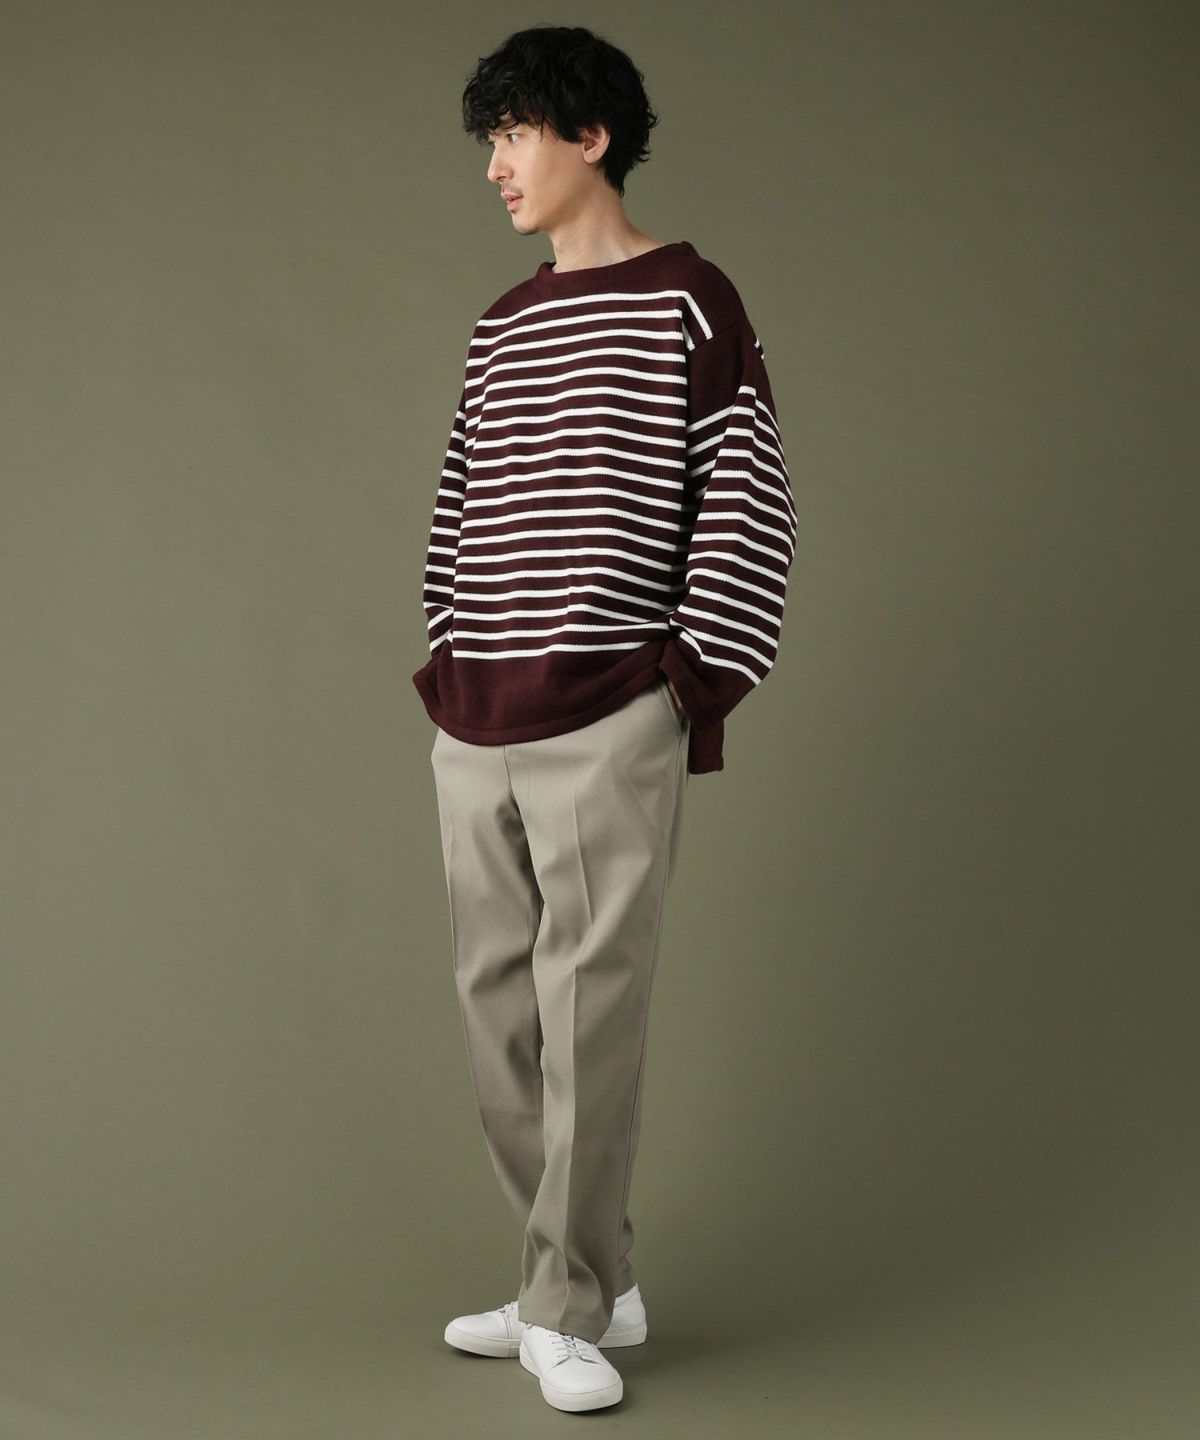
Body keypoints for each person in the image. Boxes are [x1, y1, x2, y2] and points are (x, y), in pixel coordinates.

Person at [412, 24, 796, 1414]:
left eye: (516, 133)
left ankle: (562, 1305)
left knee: (591, 1017)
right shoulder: (501, 324)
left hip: (610, 713)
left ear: (592, 137)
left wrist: (683, 686)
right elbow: (461, 507)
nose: (495, 165)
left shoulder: (692, 299)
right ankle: (581, 1282)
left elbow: (749, 498)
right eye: (489, 139)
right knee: (497, 1017)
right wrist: (448, 657)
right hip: (477, 715)